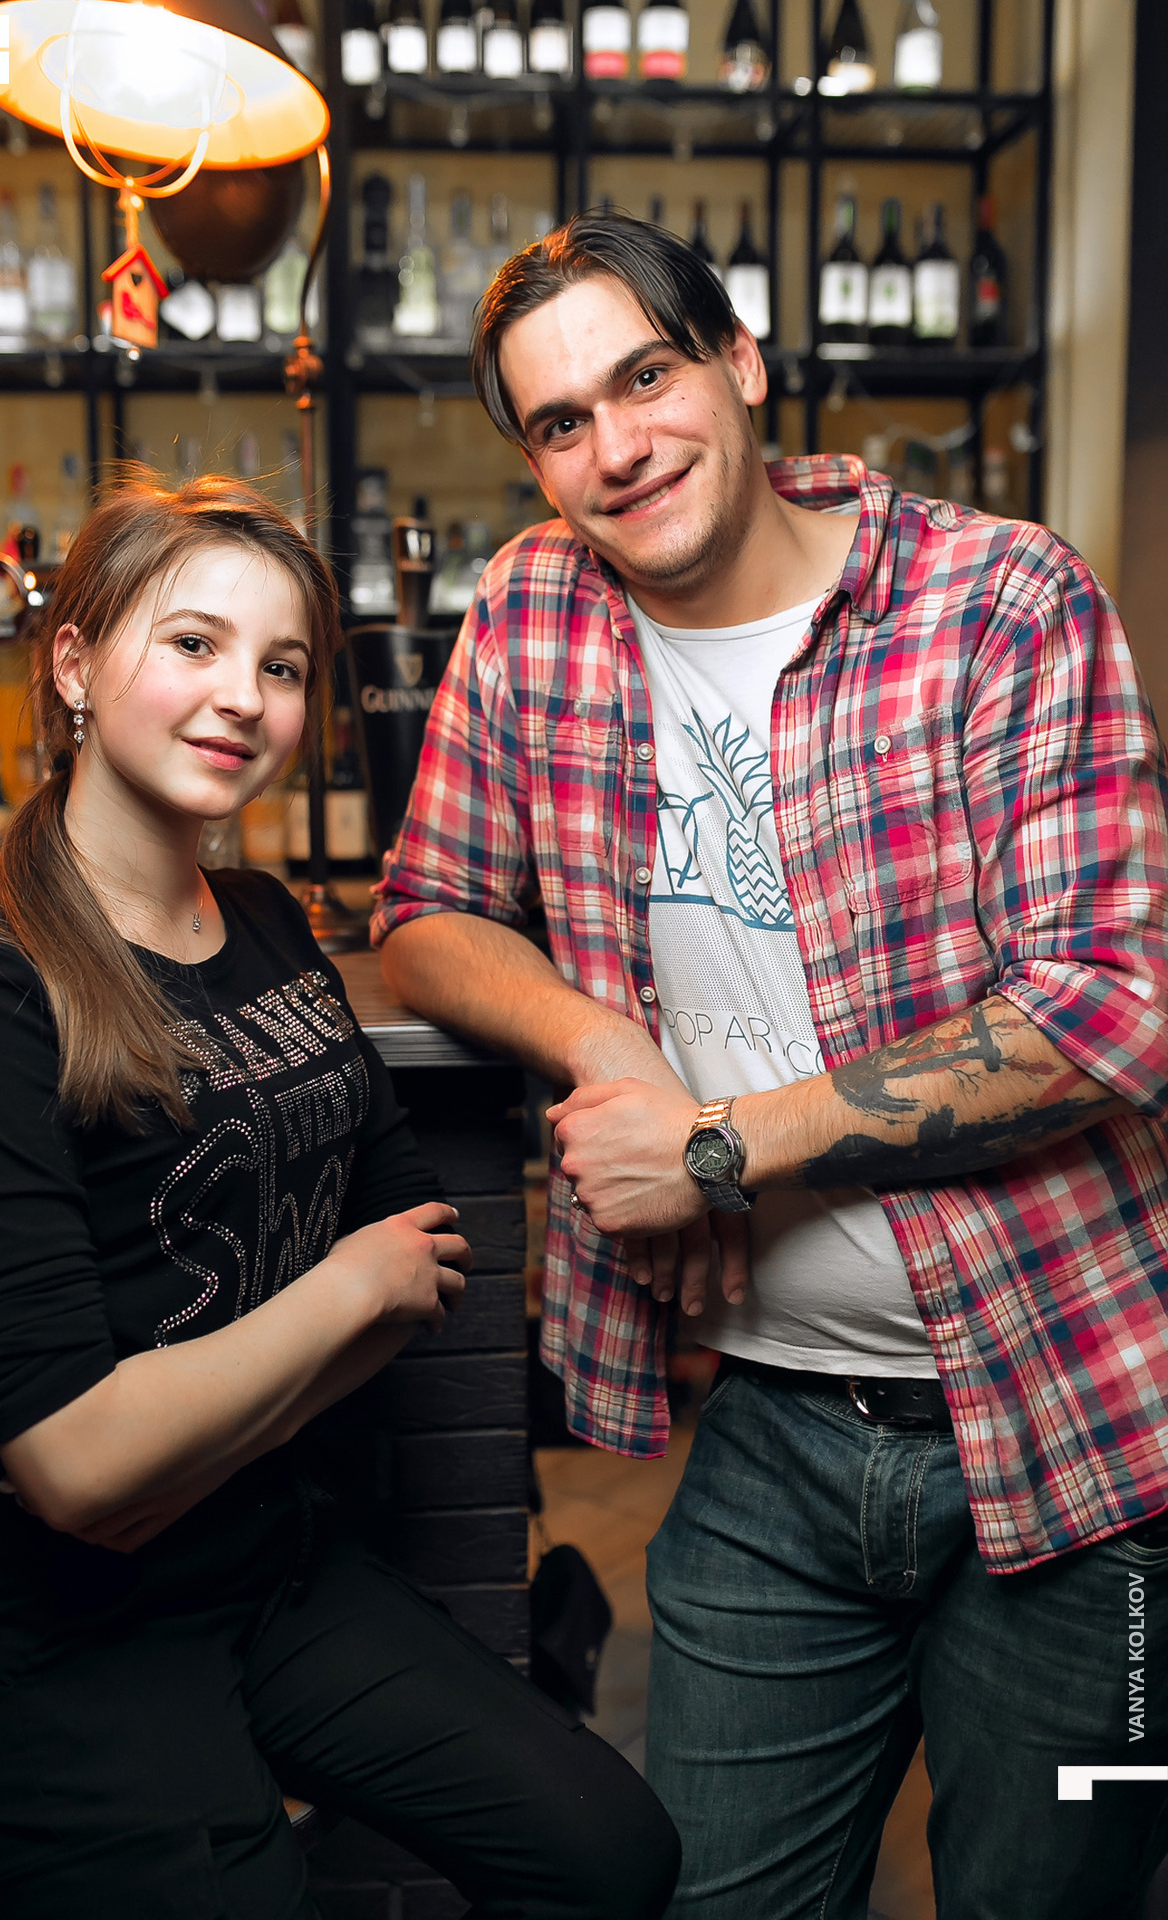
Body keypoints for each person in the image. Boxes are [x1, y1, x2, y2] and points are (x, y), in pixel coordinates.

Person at [372, 213, 1168, 1918]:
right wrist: (608, 1041)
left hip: (1084, 1427)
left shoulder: (1001, 599)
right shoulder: (532, 612)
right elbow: (426, 911)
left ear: (739, 364)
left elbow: (1107, 1006)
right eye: (561, 421)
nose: (617, 447)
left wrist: (719, 1145)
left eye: (646, 377)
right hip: (773, 1438)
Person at [0, 474, 680, 1920]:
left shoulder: (262, 918)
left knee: (611, 1856)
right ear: (74, 664)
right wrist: (338, 1293)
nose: (242, 699)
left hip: (270, 1558)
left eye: (281, 665)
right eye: (194, 644)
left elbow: (420, 1238)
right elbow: (70, 1468)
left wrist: (173, 1442)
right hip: (62, 1636)